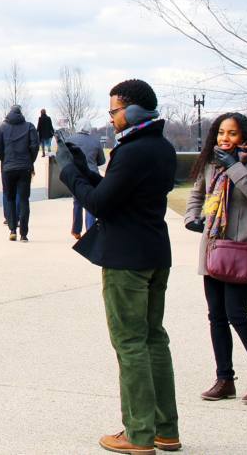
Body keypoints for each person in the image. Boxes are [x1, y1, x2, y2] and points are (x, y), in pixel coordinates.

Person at [58, 79, 180, 454]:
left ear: (135, 111)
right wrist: (84, 168)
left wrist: (68, 173)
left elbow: (100, 204)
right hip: (155, 252)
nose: (111, 119)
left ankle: (138, 434)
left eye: (114, 111)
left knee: (130, 344)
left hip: (127, 259)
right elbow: (117, 192)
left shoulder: (133, 151)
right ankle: (165, 430)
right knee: (154, 339)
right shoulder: (162, 147)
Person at [182, 112, 247, 405]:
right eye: (221, 133)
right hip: (213, 245)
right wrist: (191, 218)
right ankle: (224, 379)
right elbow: (197, 194)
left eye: (232, 134)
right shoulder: (211, 161)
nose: (225, 139)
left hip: (242, 248)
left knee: (237, 314)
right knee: (216, 317)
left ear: (244, 135)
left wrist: (235, 167)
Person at [0, 104, 39, 242]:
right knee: (24, 200)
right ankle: (23, 234)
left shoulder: (2, 128)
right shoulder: (29, 126)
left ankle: (12, 230)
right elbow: (35, 146)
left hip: (8, 169)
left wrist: (4, 160)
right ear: (21, 113)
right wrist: (30, 161)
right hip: (24, 168)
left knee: (10, 198)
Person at [62, 129, 106, 240]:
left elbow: (65, 157)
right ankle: (90, 231)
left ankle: (76, 231)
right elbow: (102, 161)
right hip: (92, 174)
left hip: (77, 174)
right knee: (91, 204)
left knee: (77, 202)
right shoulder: (95, 141)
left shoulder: (70, 139)